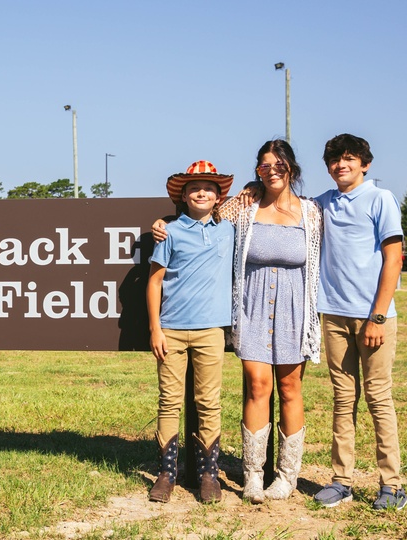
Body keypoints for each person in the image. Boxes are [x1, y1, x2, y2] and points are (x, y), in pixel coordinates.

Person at [153, 140, 323, 504]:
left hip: (294, 307)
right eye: (264, 166)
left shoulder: (312, 212)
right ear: (256, 171)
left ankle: (286, 477)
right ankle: (252, 476)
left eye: (279, 165)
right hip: (253, 306)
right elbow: (202, 213)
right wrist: (163, 222)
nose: (272, 170)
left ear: (292, 168)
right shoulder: (243, 209)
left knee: (290, 388)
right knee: (257, 386)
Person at [311, 134, 407, 510]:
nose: (341, 165)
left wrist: (377, 317)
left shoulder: (380, 199)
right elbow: (285, 206)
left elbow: (394, 259)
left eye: (349, 159)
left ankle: (392, 485)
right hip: (333, 315)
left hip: (374, 317)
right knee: (343, 399)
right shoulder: (323, 203)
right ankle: (342, 481)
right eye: (334, 160)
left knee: (378, 398)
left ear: (365, 164)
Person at [147, 160, 234, 504]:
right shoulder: (169, 231)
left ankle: (208, 475)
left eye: (209, 188)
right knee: (169, 401)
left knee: (208, 402)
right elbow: (155, 281)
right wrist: (155, 328)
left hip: (211, 330)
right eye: (194, 187)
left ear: (218, 197)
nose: (202, 191)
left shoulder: (228, 230)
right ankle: (167, 473)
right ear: (182, 195)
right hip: (171, 329)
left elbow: (251, 197)